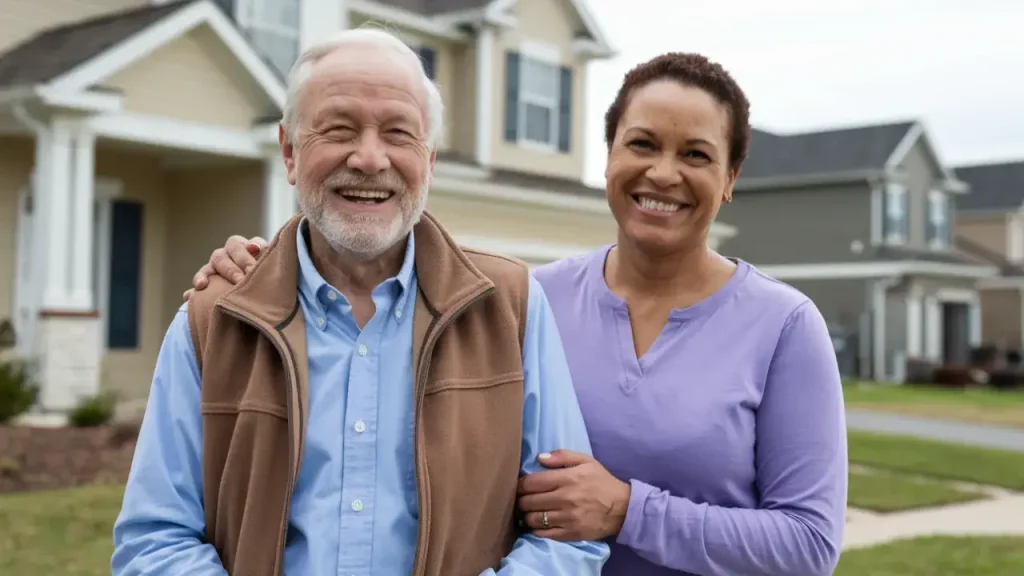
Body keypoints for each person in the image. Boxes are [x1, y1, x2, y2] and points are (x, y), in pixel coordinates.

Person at [186, 52, 848, 576]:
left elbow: (809, 544)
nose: (663, 173)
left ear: (730, 178)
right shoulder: (527, 300)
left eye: (696, 154)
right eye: (641, 144)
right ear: (610, 156)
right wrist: (256, 271)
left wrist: (626, 511)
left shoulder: (783, 327)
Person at [111, 28, 610, 576]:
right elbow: (154, 540)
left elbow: (567, 535)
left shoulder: (511, 308)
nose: (370, 159)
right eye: (339, 129)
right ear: (289, 151)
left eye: (398, 133)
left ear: (430, 159)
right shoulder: (214, 320)